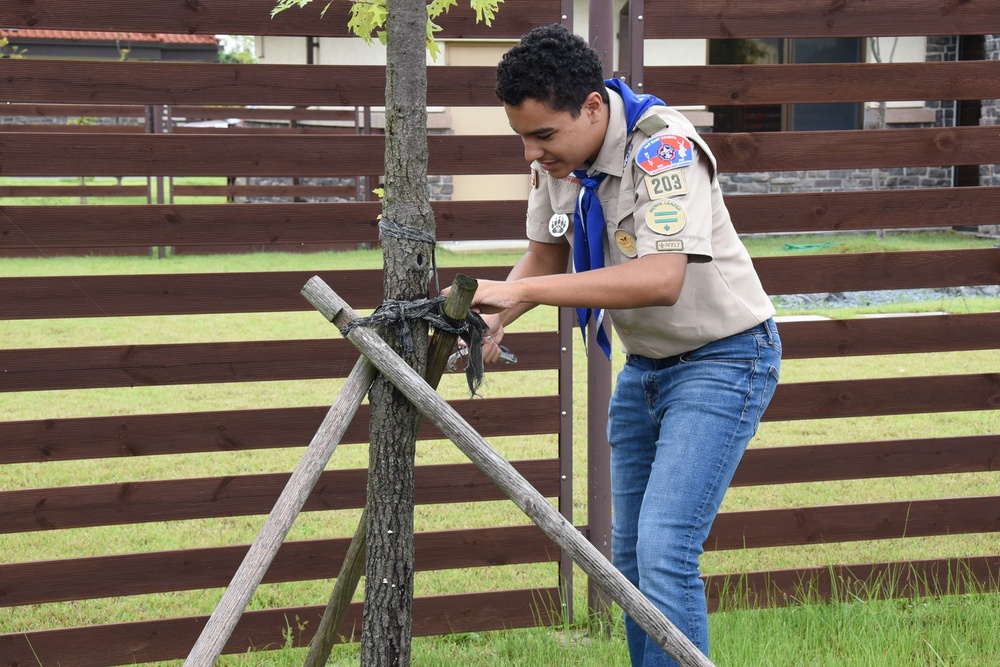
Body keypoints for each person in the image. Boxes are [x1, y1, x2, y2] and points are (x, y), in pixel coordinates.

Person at [461, 24, 783, 666]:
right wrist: (497, 319)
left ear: (592, 106)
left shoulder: (664, 149)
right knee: (630, 558)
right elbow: (545, 255)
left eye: (543, 135)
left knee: (665, 551)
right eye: (521, 136)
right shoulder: (562, 162)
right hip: (646, 368)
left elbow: (662, 278)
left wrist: (519, 294)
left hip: (725, 359)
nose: (531, 153)